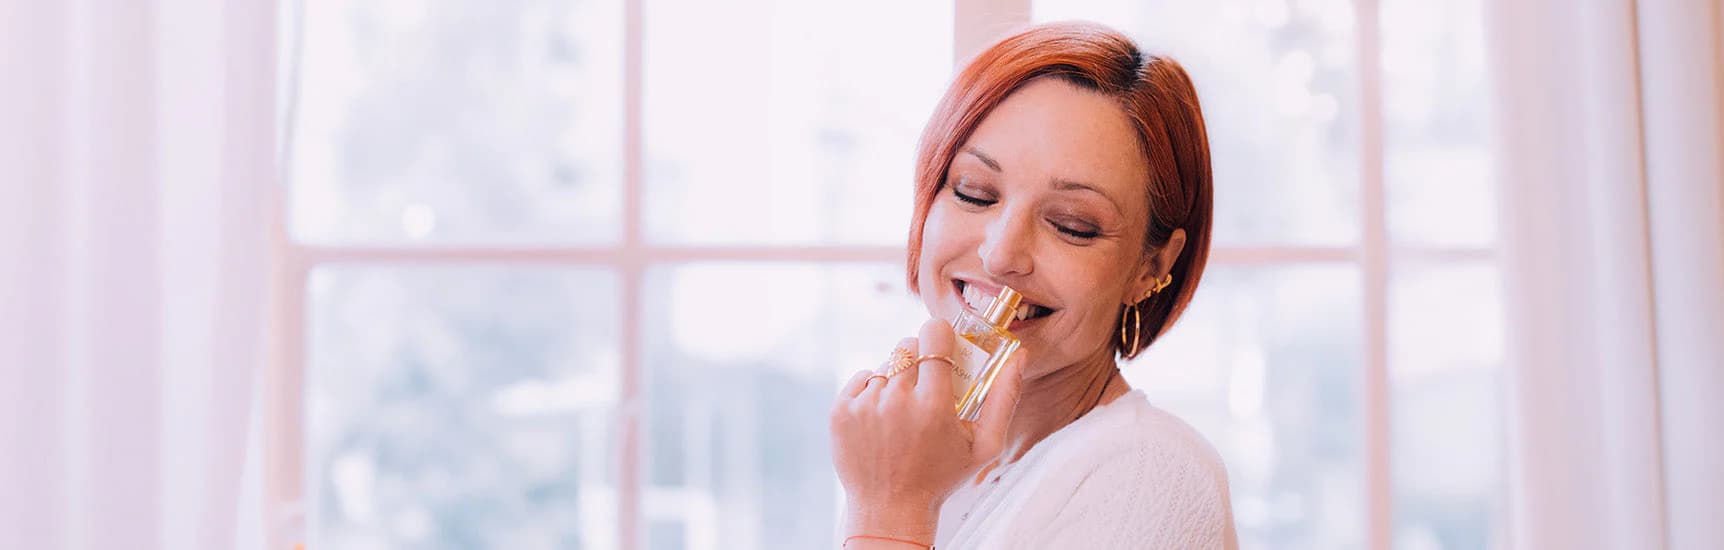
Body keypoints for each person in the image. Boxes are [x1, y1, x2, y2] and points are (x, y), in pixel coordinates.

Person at [828, 21, 1237, 549]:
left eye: (1072, 225)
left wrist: (887, 515)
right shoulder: (931, 461)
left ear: (1151, 266)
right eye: (974, 193)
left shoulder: (1151, 472)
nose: (1000, 255)